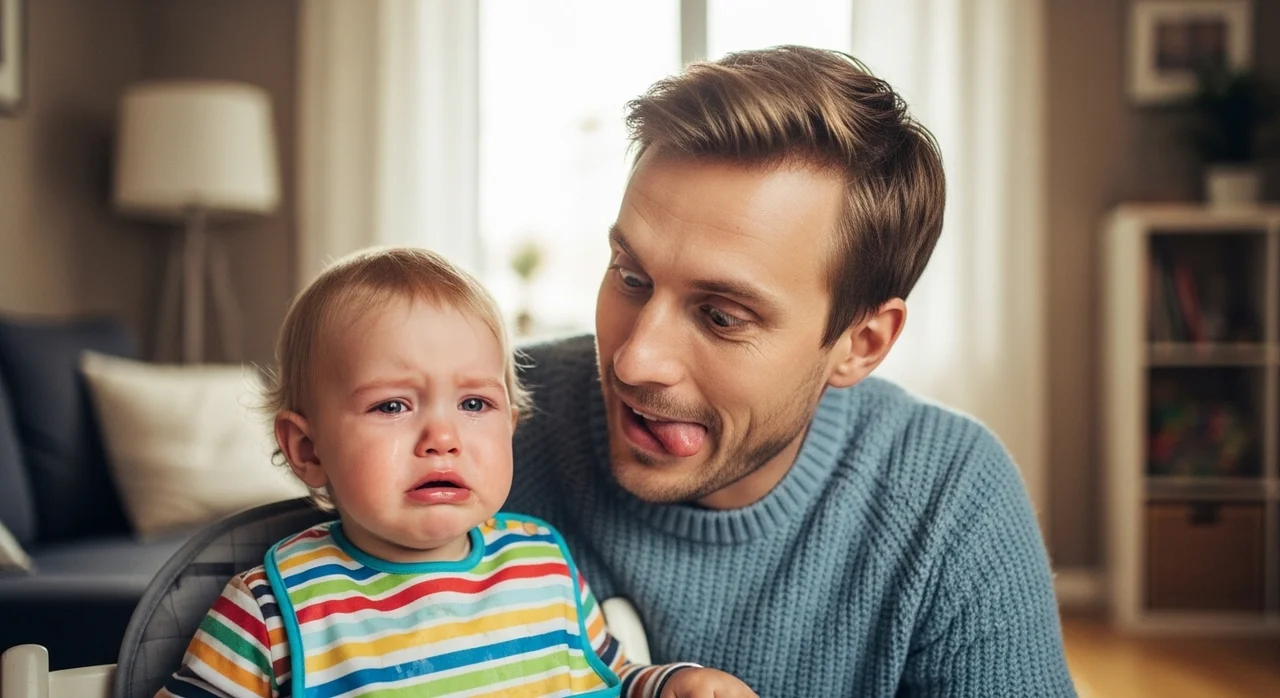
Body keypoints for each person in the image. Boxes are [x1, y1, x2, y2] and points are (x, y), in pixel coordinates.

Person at [504, 46, 1078, 697]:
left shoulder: (948, 499)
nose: (636, 358)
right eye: (631, 277)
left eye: (721, 317)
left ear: (859, 344)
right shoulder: (489, 415)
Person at [156, 247, 756, 698]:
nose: (442, 439)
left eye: (475, 405)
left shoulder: (542, 566)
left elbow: (608, 679)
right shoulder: (269, 610)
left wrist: (671, 684)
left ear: (511, 428)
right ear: (308, 449)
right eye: (392, 406)